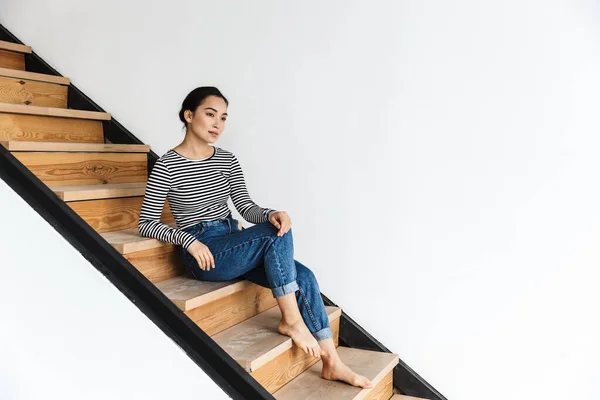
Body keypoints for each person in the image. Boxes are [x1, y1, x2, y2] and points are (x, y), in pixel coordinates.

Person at [138, 86, 372, 389]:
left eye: (223, 118)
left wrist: (271, 214)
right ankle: (290, 320)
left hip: (234, 241)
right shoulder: (168, 164)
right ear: (188, 115)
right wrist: (188, 241)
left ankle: (332, 362)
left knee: (304, 273)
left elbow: (246, 208)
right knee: (272, 239)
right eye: (210, 114)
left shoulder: (226, 159)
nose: (217, 124)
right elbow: (146, 223)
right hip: (205, 252)